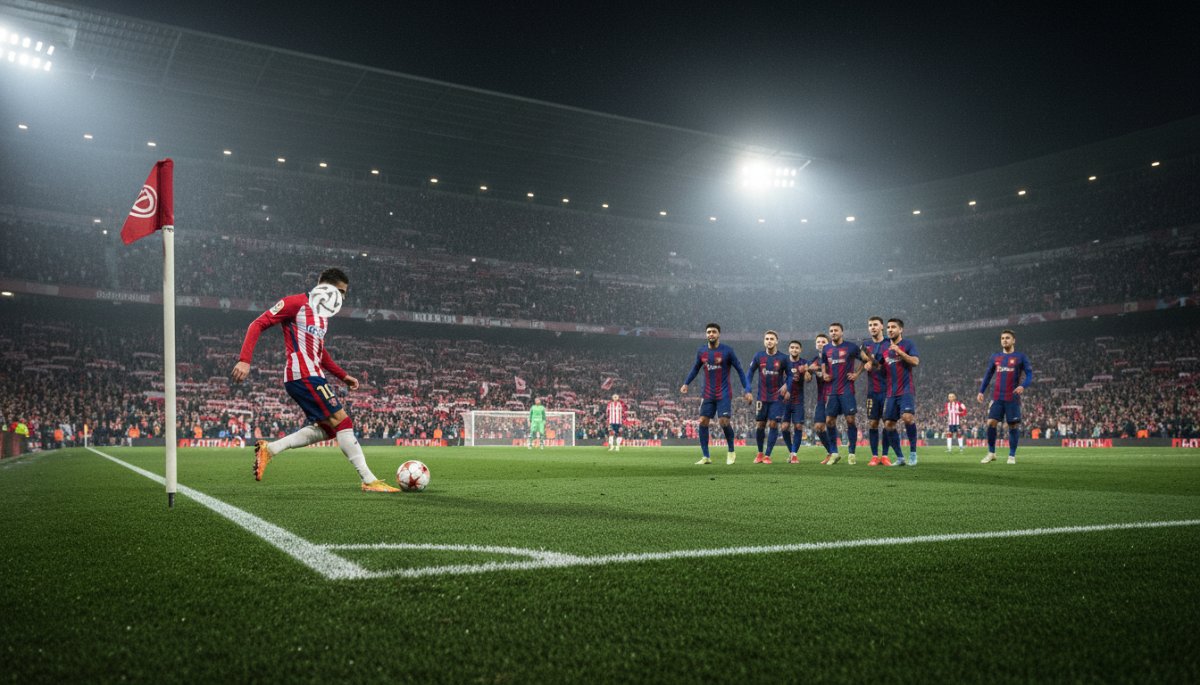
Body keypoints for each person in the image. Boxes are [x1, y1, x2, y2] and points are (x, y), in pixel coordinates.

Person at [231, 268, 399, 492]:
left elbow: (320, 352)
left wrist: (343, 376)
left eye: (345, 293)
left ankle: (270, 450)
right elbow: (257, 324)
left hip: (313, 375)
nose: (343, 297)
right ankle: (369, 481)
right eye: (340, 291)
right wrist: (244, 360)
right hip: (303, 375)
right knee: (343, 422)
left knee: (330, 429)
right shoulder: (295, 303)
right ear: (325, 287)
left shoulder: (323, 316)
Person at [681, 323, 751, 465]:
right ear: (706, 334)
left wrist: (747, 389)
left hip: (723, 392)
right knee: (702, 421)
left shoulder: (727, 351)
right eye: (708, 332)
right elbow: (695, 368)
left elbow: (740, 370)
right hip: (707, 393)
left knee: (723, 422)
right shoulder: (702, 351)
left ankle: (731, 451)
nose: (711, 334)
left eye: (713, 332)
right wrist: (686, 383)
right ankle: (706, 456)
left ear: (719, 334)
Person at [978, 329, 1034, 464]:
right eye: (1002, 338)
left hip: (1012, 398)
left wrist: (1023, 386)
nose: (1004, 340)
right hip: (997, 397)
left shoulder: (1021, 357)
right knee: (991, 423)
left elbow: (1030, 374)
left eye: (1007, 338)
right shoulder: (995, 357)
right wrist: (981, 391)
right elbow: (988, 375)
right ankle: (991, 453)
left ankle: (1011, 456)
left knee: (1013, 425)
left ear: (1013, 340)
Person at [818, 323, 863, 464]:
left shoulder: (851, 347)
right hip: (832, 391)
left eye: (836, 330)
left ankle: (852, 453)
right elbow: (823, 362)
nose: (833, 333)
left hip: (847, 390)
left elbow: (865, 360)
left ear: (842, 332)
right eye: (831, 331)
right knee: (829, 421)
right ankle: (834, 453)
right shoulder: (826, 348)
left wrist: (856, 374)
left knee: (850, 420)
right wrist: (824, 373)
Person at [746, 330, 792, 464]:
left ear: (777, 341)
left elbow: (790, 375)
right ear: (764, 341)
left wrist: (787, 386)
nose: (769, 341)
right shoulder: (758, 356)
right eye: (767, 339)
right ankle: (760, 453)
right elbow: (750, 373)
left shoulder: (783, 358)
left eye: (772, 339)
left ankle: (767, 455)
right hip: (762, 397)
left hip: (777, 398)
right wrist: (748, 390)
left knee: (773, 424)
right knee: (760, 424)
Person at [880, 318, 921, 465]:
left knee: (907, 418)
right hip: (891, 392)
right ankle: (900, 457)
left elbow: (915, 361)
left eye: (893, 327)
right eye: (888, 327)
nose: (890, 330)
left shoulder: (908, 344)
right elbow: (881, 368)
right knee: (888, 424)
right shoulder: (884, 348)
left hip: (906, 389)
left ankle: (913, 454)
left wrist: (899, 352)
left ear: (900, 329)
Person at [861, 316, 893, 466]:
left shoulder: (889, 343)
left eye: (875, 324)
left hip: (888, 390)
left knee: (887, 423)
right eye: (870, 325)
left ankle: (885, 455)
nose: (872, 327)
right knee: (873, 423)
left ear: (882, 327)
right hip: (872, 391)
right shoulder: (865, 345)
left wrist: (873, 362)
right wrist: (865, 364)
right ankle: (874, 456)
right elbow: (863, 360)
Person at [781, 339, 813, 464]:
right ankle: (791, 452)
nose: (794, 349)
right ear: (789, 349)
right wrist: (783, 386)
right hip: (784, 400)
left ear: (800, 350)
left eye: (796, 348)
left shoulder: (805, 362)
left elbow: (808, 379)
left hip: (798, 399)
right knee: (784, 427)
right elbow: (777, 377)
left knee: (798, 426)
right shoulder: (784, 362)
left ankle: (794, 454)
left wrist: (805, 371)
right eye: (792, 347)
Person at [809, 334, 837, 463]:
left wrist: (819, 368)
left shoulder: (833, 357)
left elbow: (836, 372)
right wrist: (808, 371)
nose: (820, 343)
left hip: (834, 395)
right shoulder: (814, 360)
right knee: (818, 427)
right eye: (818, 342)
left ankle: (836, 452)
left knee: (830, 423)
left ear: (828, 344)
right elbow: (807, 378)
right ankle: (831, 452)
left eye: (823, 341)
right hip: (821, 397)